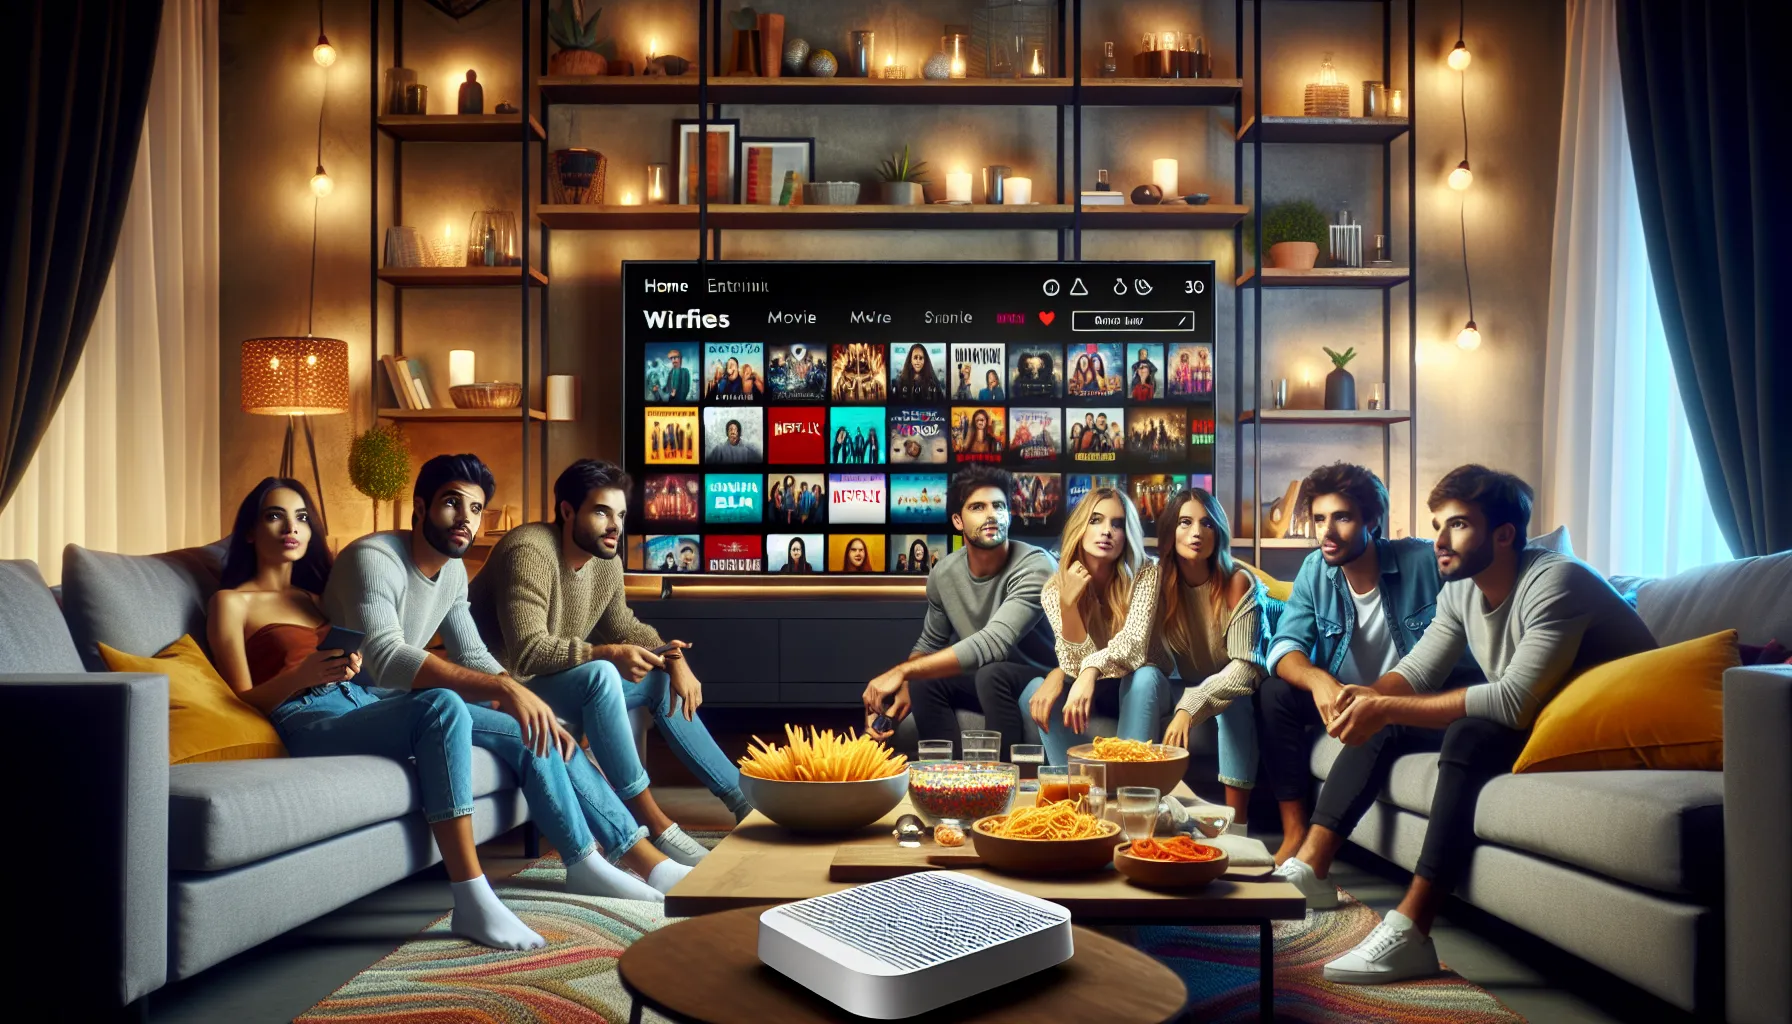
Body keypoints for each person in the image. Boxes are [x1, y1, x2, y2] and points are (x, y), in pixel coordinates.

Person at [1272, 466, 1657, 985]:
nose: (1439, 542)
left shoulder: (1555, 581)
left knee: (1468, 733)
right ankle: (1312, 868)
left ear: (1504, 535)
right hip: (1541, 715)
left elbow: (1516, 700)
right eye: (1437, 526)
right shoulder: (1460, 589)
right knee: (1386, 719)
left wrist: (1383, 706)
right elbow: (1418, 671)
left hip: (1603, 723)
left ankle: (1411, 930)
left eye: (1457, 526)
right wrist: (1365, 701)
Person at [321, 456, 691, 902]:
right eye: (451, 503)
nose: (465, 519)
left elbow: (471, 651)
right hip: (359, 703)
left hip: (414, 700)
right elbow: (385, 660)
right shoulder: (373, 559)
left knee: (542, 727)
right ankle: (632, 861)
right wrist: (505, 688)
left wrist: (513, 691)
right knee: (533, 722)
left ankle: (595, 860)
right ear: (419, 507)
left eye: (475, 509)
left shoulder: (453, 569)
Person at [470, 460, 754, 846]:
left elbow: (625, 626)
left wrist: (675, 658)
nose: (615, 526)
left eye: (619, 514)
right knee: (601, 673)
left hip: (551, 683)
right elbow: (527, 654)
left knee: (657, 678)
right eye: (601, 512)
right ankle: (654, 824)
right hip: (503, 689)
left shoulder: (606, 563)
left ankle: (745, 804)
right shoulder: (529, 550)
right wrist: (606, 652)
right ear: (568, 511)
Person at [1257, 463, 1474, 864]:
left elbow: (1465, 644)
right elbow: (1284, 647)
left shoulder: (1425, 562)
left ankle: (1312, 861)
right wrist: (1320, 682)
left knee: (1379, 717)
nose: (1327, 531)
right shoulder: (1316, 570)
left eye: (1342, 517)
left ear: (1372, 520)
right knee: (1274, 692)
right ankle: (1293, 834)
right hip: (1341, 696)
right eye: (1319, 518)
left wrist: (1373, 700)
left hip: (1410, 700)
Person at [863, 465, 1056, 758]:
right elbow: (928, 644)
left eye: (999, 506)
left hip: (1039, 674)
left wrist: (902, 671)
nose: (991, 514)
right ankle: (946, 779)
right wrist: (907, 685)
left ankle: (1001, 782)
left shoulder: (1036, 565)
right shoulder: (944, 573)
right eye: (977, 507)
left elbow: (994, 643)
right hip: (984, 678)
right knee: (927, 681)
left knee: (992, 673)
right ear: (957, 520)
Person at [1019, 488, 1175, 765]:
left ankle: (1130, 786)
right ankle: (1079, 785)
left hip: (1143, 685)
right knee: (1034, 689)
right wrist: (1068, 606)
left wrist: (1089, 671)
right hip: (1098, 690)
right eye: (1096, 520)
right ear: (1080, 527)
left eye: (1117, 524)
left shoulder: (1147, 572)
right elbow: (1072, 663)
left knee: (1144, 676)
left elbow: (1133, 648)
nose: (1107, 531)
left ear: (1126, 534)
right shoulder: (1054, 590)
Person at [1150, 489, 1267, 828]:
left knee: (1234, 702)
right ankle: (1148, 808)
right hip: (1189, 683)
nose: (1197, 533)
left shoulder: (1237, 581)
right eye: (1185, 522)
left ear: (1219, 533)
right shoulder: (1159, 583)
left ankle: (1237, 825)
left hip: (1243, 687)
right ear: (1171, 531)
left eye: (1207, 524)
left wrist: (1190, 705)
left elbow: (1245, 669)